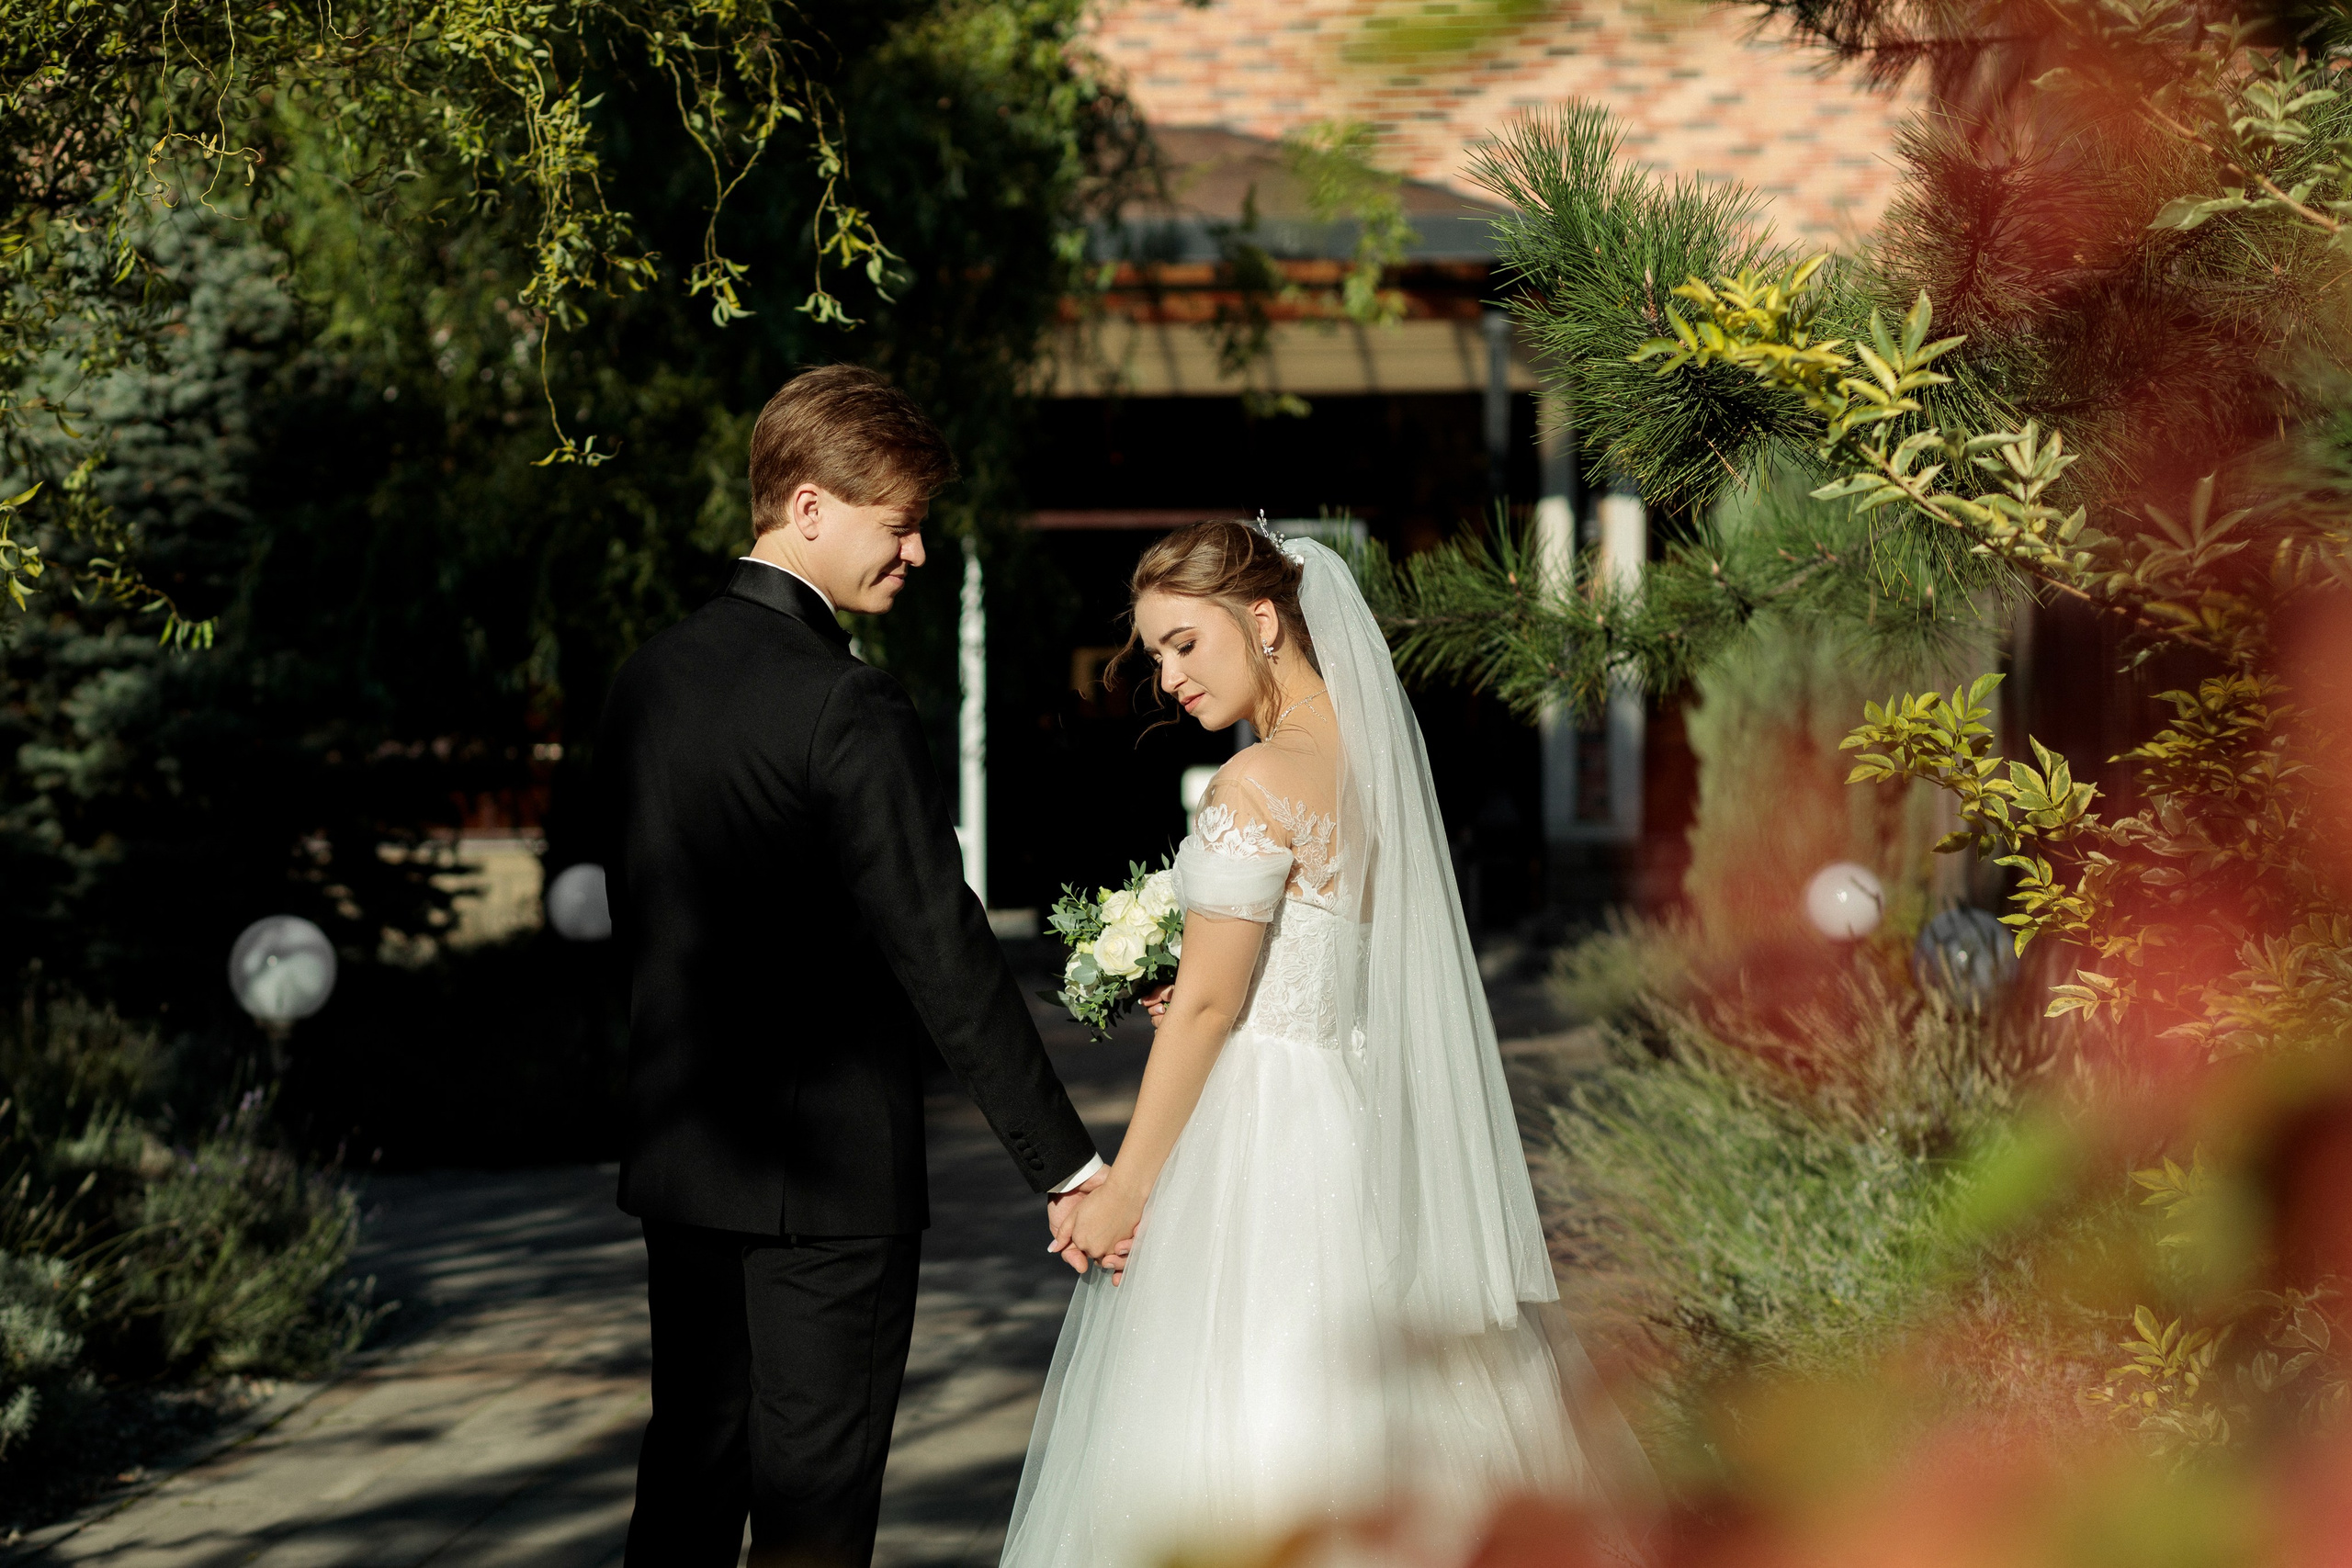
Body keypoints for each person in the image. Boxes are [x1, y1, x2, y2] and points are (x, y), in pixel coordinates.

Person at [1004, 520, 1649, 1568]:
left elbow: (1213, 1012)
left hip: (1265, 1143)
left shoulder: (1254, 783)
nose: (1167, 679)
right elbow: (1333, 960)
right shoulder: (1369, 761)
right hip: (1357, 1117)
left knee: (1246, 1425)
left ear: (1261, 619)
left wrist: (1124, 1184)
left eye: (1183, 644)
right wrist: (1231, 990)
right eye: (1156, 655)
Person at [597, 365, 1105, 1567]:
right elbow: (943, 947)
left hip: (682, 1160)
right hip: (830, 1188)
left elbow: (624, 922)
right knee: (814, 1514)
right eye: (902, 523)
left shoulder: (647, 677)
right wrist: (1068, 1161)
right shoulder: (847, 703)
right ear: (810, 507)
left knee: (684, 1484)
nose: (918, 552)